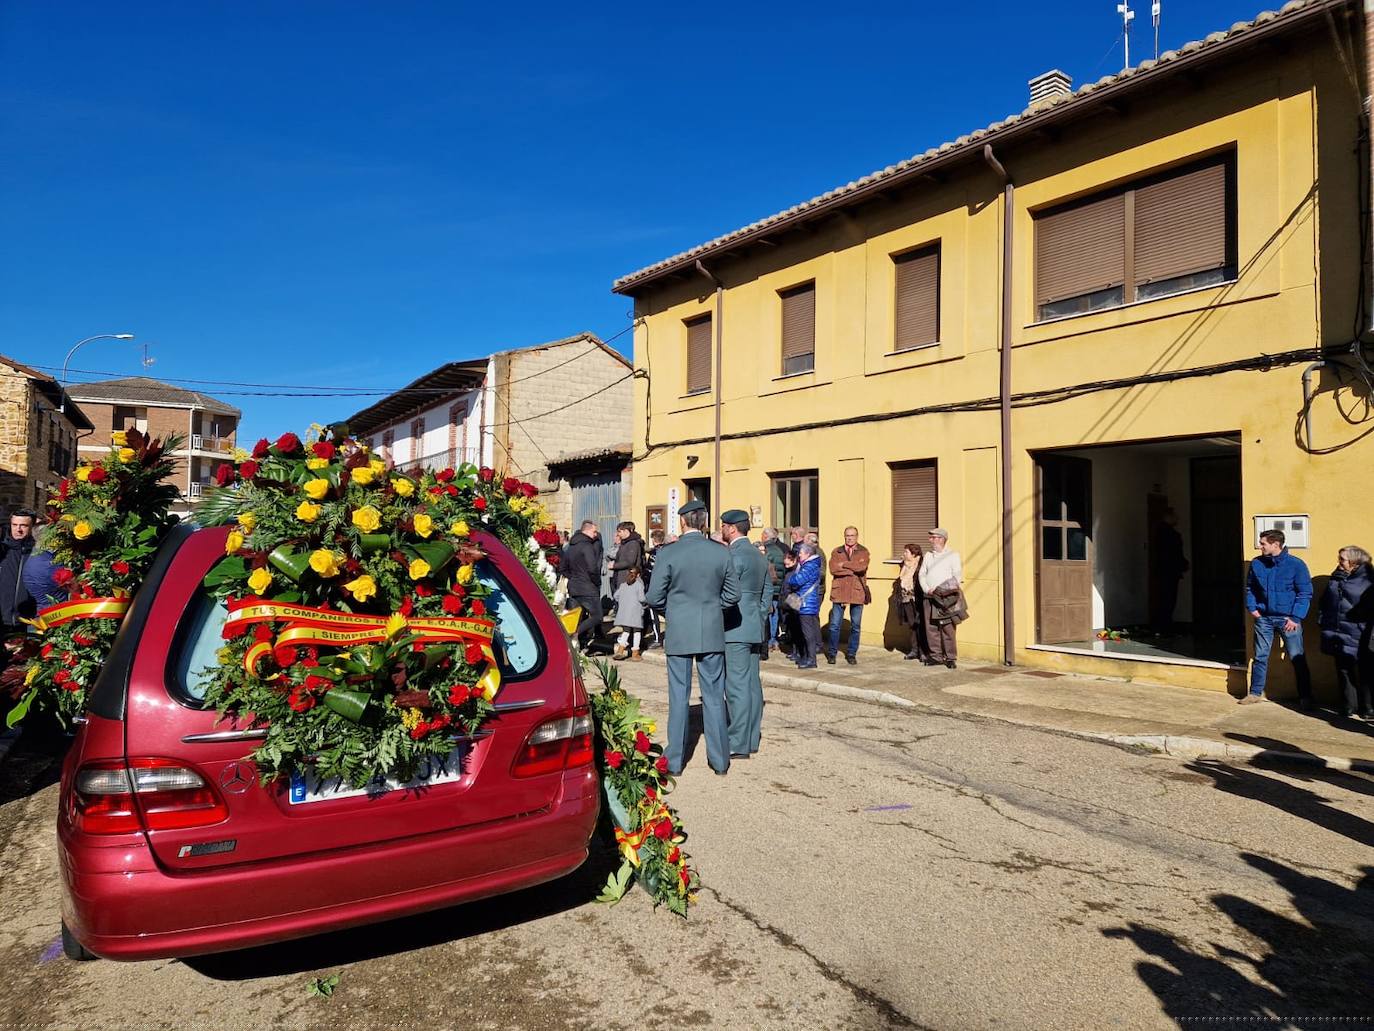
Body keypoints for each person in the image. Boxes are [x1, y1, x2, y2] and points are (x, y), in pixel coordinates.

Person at [643, 499, 741, 776]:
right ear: (704, 523)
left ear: (683, 522)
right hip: (711, 629)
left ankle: (674, 762)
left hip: (679, 630)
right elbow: (733, 595)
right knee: (713, 696)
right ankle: (720, 761)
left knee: (678, 696)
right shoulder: (720, 552)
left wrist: (673, 611)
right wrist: (710, 609)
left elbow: (653, 597)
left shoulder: (668, 553)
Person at [1241, 528, 1314, 708]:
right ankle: (1255, 693)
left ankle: (1306, 697)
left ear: (1276, 544)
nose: (1260, 546)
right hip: (1264, 618)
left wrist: (1295, 617)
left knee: (1297, 657)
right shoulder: (1257, 564)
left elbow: (1305, 593)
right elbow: (1250, 588)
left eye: (1263, 543)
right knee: (1260, 656)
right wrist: (1253, 609)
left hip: (1288, 620)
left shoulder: (1296, 565)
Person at [721, 509, 771, 759]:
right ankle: (751, 738)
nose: (721, 529)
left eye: (723, 526)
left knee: (737, 686)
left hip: (734, 627)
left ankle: (737, 742)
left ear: (731, 528)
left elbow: (726, 593)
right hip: (753, 626)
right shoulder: (759, 555)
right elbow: (768, 591)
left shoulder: (734, 555)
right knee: (752, 684)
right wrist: (760, 617)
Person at [1318, 545, 1372, 719]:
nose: (1339, 562)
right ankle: (1349, 705)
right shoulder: (1336, 578)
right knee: (1343, 670)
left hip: (1361, 633)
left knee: (1366, 671)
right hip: (1338, 632)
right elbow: (1325, 602)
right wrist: (1322, 620)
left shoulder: (1369, 580)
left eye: (1342, 559)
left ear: (1355, 562)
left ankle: (1368, 707)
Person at [918, 528, 964, 669]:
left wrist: (940, 589)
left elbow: (957, 577)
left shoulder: (953, 555)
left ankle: (950, 657)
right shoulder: (928, 555)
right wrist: (927, 589)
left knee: (947, 628)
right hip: (929, 596)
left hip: (946, 598)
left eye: (933, 537)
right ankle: (936, 656)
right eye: (930, 537)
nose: (930, 540)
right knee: (931, 627)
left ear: (941, 539)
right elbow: (922, 574)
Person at [826, 526, 871, 666]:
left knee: (855, 626)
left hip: (857, 592)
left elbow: (861, 568)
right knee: (834, 625)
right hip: (839, 592)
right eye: (847, 535)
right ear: (844, 536)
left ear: (857, 536)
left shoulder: (863, 551)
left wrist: (844, 564)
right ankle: (832, 653)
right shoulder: (837, 551)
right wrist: (852, 569)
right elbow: (833, 569)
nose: (850, 538)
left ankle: (851, 654)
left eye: (852, 535)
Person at [562, 520, 604, 651]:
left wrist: (573, 577)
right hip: (587, 587)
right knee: (597, 616)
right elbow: (592, 568)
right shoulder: (587, 546)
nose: (596, 534)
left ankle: (574, 646)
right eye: (594, 531)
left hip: (574, 587)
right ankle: (574, 634)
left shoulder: (570, 546)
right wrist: (596, 581)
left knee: (576, 617)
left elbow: (563, 568)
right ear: (586, 530)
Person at [784, 541, 824, 669]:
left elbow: (797, 580)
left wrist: (790, 579)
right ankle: (807, 657)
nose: (799, 555)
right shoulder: (809, 564)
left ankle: (811, 660)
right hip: (805, 602)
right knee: (806, 632)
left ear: (807, 554)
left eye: (800, 553)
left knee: (808, 633)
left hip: (806, 603)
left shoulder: (809, 566)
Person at [0, 508, 38, 641]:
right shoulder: (3, 551)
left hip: (27, 623)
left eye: (24, 525)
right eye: (14, 525)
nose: (18, 529)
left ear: (32, 526)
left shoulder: (37, 554)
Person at [1150, 509, 1189, 631]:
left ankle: (1162, 623)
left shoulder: (1158, 532)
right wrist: (1183, 564)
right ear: (1169, 517)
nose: (1177, 519)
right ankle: (1165, 624)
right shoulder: (1172, 535)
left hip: (1162, 570)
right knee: (1168, 598)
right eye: (1175, 517)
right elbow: (1175, 554)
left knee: (1163, 597)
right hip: (1170, 571)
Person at [892, 543, 929, 661]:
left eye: (906, 552)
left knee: (920, 625)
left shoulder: (920, 566)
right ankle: (914, 650)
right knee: (912, 626)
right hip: (906, 599)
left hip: (917, 599)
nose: (904, 554)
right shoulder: (905, 566)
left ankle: (923, 652)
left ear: (914, 554)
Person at [761, 528, 788, 653]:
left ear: (766, 537)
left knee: (767, 613)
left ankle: (767, 640)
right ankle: (774, 639)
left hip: (768, 587)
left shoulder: (765, 551)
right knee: (775, 614)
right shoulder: (780, 550)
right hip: (778, 587)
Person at [611, 567, 646, 661]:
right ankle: (635, 654)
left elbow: (615, 596)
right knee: (637, 632)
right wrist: (646, 604)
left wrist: (623, 602)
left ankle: (620, 651)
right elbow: (642, 599)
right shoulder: (639, 584)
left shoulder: (623, 585)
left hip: (624, 613)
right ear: (638, 575)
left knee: (626, 632)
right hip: (635, 612)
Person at [609, 521, 645, 592]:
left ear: (626, 531)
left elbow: (630, 561)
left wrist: (614, 565)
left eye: (620, 532)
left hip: (628, 579)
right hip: (622, 578)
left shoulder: (633, 544)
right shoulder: (625, 543)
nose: (618, 534)